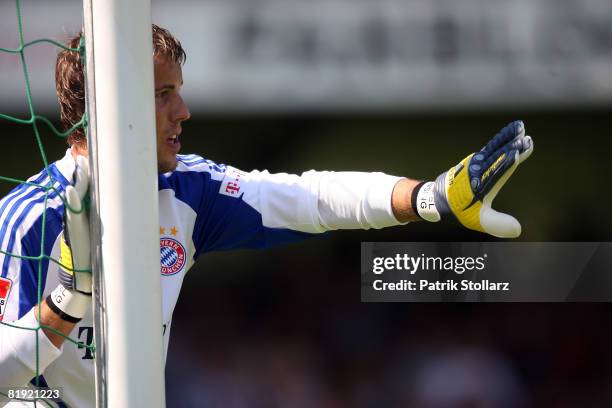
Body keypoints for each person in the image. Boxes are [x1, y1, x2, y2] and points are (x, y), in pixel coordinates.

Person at [0, 25, 533, 407]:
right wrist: (66, 304)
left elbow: (310, 199)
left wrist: (430, 198)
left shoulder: (189, 190)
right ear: (107, 104)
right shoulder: (29, 219)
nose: (183, 112)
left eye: (178, 93)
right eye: (163, 95)